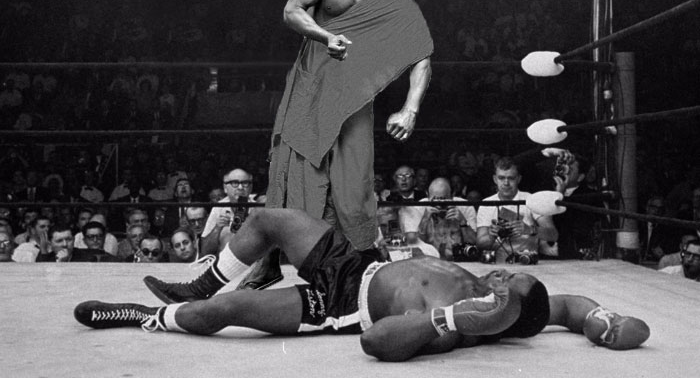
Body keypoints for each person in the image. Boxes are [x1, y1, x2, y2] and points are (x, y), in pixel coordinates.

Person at [73, 205, 650, 357]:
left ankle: (149, 317)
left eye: (506, 282)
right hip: (357, 260)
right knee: (271, 219)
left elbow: (375, 344)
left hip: (338, 303)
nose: (500, 270)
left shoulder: (457, 329)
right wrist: (607, 322)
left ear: (501, 309)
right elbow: (570, 305)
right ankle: (199, 283)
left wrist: (451, 319)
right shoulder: (519, 302)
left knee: (227, 315)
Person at [247, 0, 431, 289]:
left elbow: (423, 55)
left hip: (352, 101)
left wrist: (410, 107)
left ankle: (364, 267)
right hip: (310, 87)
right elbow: (292, 11)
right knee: (287, 172)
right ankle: (267, 263)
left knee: (354, 182)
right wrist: (325, 35)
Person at [476, 159, 539, 263]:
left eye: (511, 178)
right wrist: (491, 235)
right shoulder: (486, 203)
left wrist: (530, 229)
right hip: (496, 264)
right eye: (501, 178)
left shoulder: (532, 199)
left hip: (527, 262)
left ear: (519, 179)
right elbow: (480, 244)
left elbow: (552, 234)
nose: (506, 183)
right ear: (495, 179)